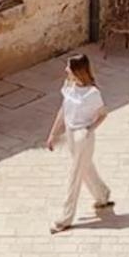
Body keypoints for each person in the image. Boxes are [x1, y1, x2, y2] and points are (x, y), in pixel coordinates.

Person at [46, 53, 113, 233]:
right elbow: (63, 110)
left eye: (68, 67)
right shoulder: (69, 86)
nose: (65, 69)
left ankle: (65, 218)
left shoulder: (92, 93)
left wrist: (90, 130)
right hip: (70, 132)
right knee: (86, 168)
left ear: (77, 70)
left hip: (82, 136)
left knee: (74, 175)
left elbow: (103, 113)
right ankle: (102, 194)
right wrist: (53, 134)